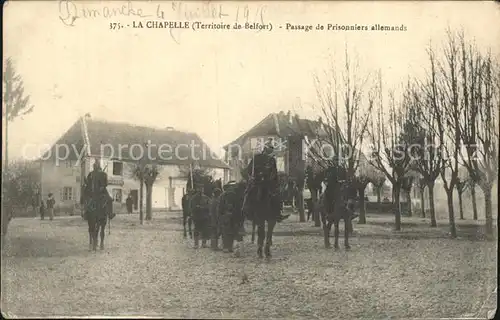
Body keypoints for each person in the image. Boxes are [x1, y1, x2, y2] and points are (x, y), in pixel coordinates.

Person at [243, 140, 290, 222]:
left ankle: (246, 211)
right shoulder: (259, 158)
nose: (270, 152)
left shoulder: (267, 159)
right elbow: (250, 170)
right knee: (248, 193)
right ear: (265, 149)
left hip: (261, 182)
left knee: (249, 193)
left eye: (271, 150)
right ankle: (246, 210)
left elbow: (273, 173)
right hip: (261, 183)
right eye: (269, 150)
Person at [189, 183, 211, 249]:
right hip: (197, 216)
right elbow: (192, 207)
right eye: (199, 188)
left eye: (202, 188)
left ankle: (204, 244)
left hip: (205, 216)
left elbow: (209, 206)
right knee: (196, 230)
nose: (201, 190)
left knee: (205, 230)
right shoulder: (193, 198)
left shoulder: (206, 198)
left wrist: (202, 207)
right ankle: (196, 244)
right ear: (197, 189)